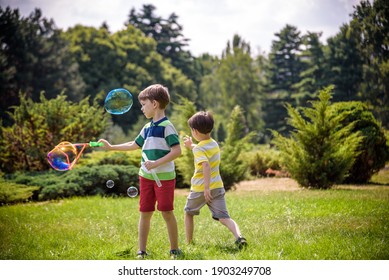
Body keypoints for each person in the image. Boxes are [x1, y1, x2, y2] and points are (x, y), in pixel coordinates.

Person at [98, 84, 182, 259]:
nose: (142, 109)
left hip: (164, 178)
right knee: (145, 212)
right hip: (146, 177)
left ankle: (174, 249)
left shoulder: (167, 126)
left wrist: (156, 163)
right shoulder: (147, 127)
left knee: (166, 212)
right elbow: (133, 144)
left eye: (143, 105)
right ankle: (141, 251)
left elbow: (177, 151)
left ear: (155, 104)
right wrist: (111, 147)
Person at [183, 111, 247, 248]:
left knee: (189, 213)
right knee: (224, 217)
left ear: (194, 131)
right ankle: (239, 237)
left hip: (201, 189)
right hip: (217, 187)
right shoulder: (214, 144)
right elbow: (201, 148)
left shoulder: (199, 149)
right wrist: (191, 146)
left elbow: (205, 165)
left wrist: (206, 188)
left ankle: (188, 243)